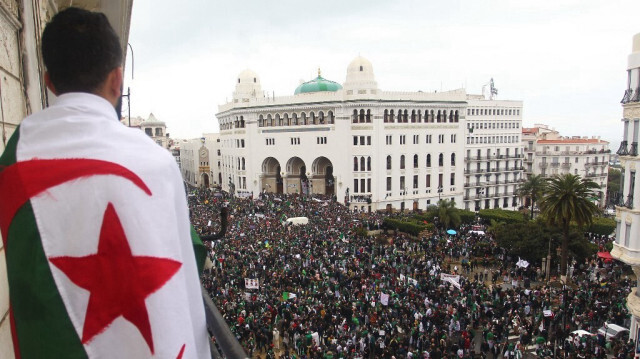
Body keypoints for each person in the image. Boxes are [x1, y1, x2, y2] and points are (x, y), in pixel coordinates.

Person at [0, 7, 209, 358]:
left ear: (49, 81)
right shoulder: (155, 162)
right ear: (117, 79)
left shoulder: (15, 160)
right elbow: (188, 255)